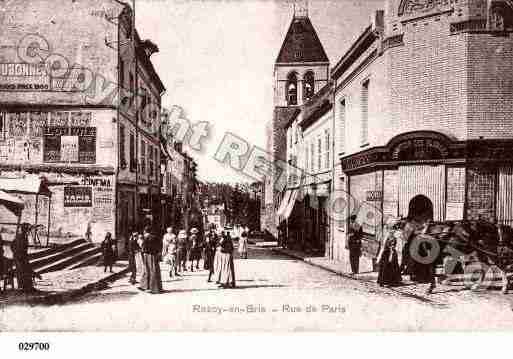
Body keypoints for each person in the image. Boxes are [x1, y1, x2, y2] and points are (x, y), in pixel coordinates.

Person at [12, 223, 35, 292]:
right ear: (23, 230)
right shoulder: (19, 237)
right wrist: (16, 253)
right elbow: (12, 246)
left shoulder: (24, 237)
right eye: (26, 230)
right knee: (21, 271)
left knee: (26, 270)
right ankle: (23, 287)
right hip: (19, 257)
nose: (27, 232)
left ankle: (28, 286)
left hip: (23, 256)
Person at [139, 226, 162, 294]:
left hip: (149, 255)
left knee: (150, 270)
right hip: (153, 255)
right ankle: (149, 286)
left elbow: (143, 247)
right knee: (153, 270)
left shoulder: (146, 238)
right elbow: (159, 246)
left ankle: (152, 288)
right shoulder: (155, 237)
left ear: (145, 231)